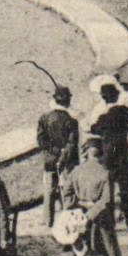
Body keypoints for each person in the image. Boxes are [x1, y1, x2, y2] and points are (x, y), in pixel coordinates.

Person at [38, 86, 80, 228]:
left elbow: (41, 141)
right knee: (68, 191)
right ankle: (68, 218)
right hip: (68, 162)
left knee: (49, 190)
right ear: (68, 102)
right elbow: (72, 144)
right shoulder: (72, 121)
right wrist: (62, 156)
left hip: (50, 160)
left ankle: (48, 220)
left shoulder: (44, 118)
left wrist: (54, 151)